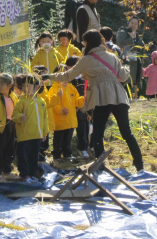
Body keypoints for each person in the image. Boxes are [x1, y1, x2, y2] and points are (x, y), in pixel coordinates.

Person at [46, 30, 144, 171]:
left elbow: (67, 76)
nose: (83, 44)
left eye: (84, 42)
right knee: (127, 133)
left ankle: (100, 168)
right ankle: (140, 166)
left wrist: (48, 76)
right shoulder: (112, 56)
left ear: (88, 43)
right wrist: (126, 67)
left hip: (101, 98)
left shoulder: (85, 59)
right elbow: (123, 77)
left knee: (97, 134)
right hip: (119, 96)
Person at [12, 75, 49, 183]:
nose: (25, 88)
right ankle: (24, 175)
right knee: (24, 157)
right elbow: (14, 115)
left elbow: (45, 118)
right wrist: (20, 117)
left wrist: (45, 132)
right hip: (24, 136)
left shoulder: (41, 101)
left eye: (28, 85)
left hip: (37, 135)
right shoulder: (22, 101)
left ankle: (32, 174)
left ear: (36, 87)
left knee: (34, 156)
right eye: (23, 86)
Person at [0, 74, 19, 183]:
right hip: (0, 128)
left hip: (11, 125)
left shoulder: (13, 97)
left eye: (2, 84)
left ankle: (7, 172)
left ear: (9, 85)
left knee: (9, 150)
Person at [49, 67, 83, 160]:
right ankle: (57, 156)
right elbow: (51, 104)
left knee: (68, 139)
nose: (63, 75)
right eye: (61, 73)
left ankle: (67, 154)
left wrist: (83, 99)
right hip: (60, 121)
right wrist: (61, 109)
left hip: (70, 120)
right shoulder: (54, 88)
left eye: (65, 73)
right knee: (58, 139)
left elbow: (77, 101)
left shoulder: (71, 87)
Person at [66, 56, 90, 158]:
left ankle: (83, 149)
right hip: (70, 109)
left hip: (83, 109)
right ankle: (67, 152)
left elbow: (88, 93)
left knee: (83, 130)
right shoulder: (67, 79)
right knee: (68, 132)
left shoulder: (85, 78)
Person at [33, 65, 58, 162]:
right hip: (42, 119)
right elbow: (46, 103)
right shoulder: (39, 89)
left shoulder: (44, 87)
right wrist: (56, 97)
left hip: (45, 118)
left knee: (45, 140)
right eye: (45, 73)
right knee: (42, 141)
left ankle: (42, 158)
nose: (47, 75)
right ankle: (40, 159)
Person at [116, 17, 145, 97]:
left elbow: (142, 47)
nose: (133, 25)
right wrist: (131, 38)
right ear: (128, 24)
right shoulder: (122, 32)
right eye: (132, 23)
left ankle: (133, 97)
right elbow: (121, 43)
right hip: (124, 61)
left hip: (135, 62)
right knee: (125, 80)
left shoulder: (137, 35)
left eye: (136, 24)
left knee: (133, 81)